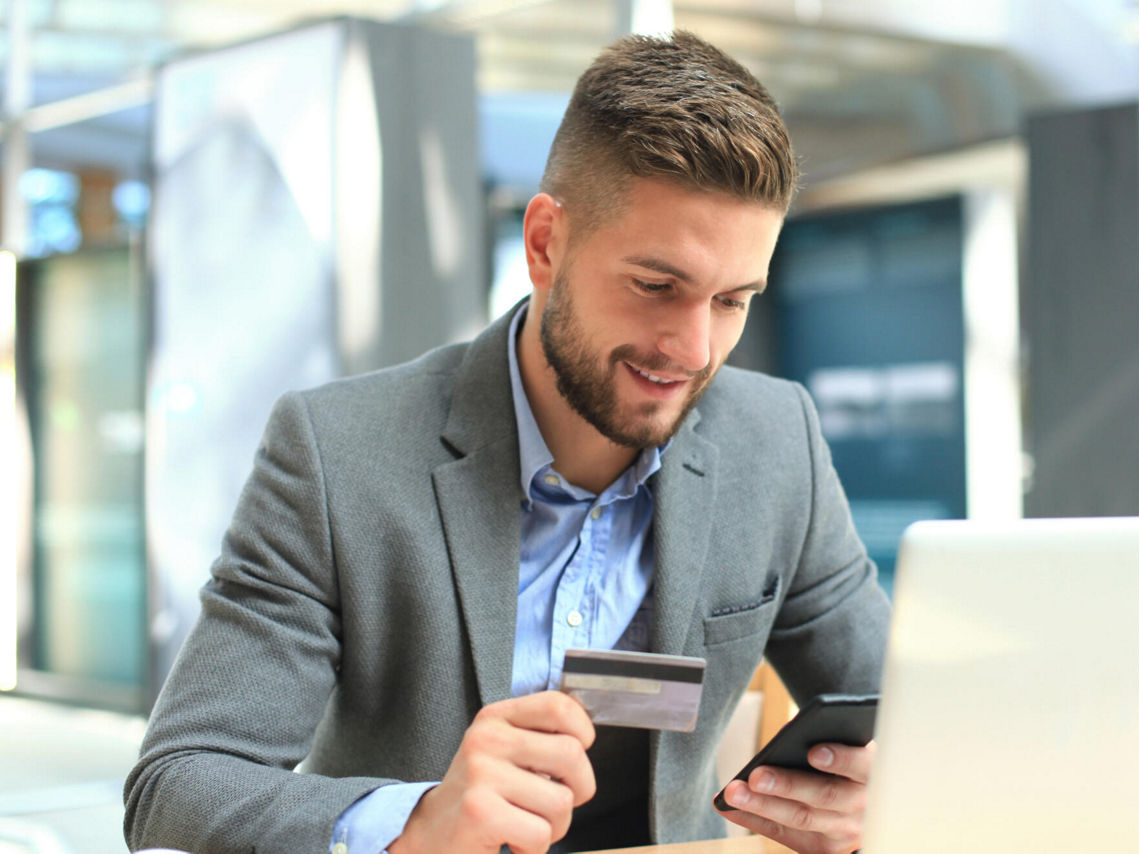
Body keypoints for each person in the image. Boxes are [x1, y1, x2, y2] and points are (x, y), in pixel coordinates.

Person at [124, 31, 890, 854]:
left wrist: (880, 794)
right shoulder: (337, 454)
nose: (694, 349)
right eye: (656, 287)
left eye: (732, 300)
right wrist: (418, 822)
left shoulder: (775, 445)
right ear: (545, 245)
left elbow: (905, 716)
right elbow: (179, 782)